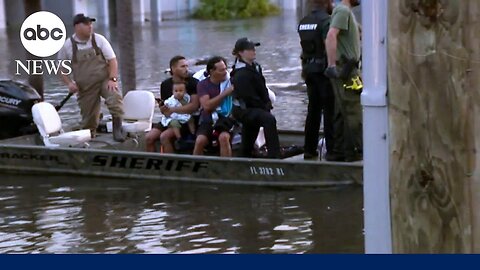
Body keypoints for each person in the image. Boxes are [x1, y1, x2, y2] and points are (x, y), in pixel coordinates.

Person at [58, 14, 125, 141]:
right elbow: (60, 68)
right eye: (87, 24)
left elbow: (112, 60)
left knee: (114, 98)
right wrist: (69, 83)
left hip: (104, 80)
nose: (90, 27)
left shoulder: (99, 40)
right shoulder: (67, 45)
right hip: (85, 86)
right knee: (88, 118)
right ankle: (90, 135)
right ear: (77, 27)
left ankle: (117, 129)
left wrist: (113, 79)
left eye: (91, 24)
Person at [324, 0, 363, 162]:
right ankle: (354, 153)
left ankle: (339, 151)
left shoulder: (347, 13)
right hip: (345, 69)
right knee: (352, 110)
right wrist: (332, 64)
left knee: (341, 110)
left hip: (349, 68)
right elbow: (331, 35)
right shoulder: (342, 11)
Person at [230, 38, 281, 159]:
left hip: (255, 107)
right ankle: (274, 157)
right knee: (269, 120)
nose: (254, 51)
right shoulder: (240, 73)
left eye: (254, 48)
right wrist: (264, 107)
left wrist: (267, 102)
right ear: (241, 53)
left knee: (249, 135)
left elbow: (262, 88)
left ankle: (244, 157)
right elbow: (248, 96)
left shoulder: (255, 67)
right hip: (244, 109)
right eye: (250, 49)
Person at [298, 0, 335, 160]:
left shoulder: (303, 21)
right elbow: (328, 44)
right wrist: (333, 66)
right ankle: (332, 150)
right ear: (326, 3)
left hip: (308, 70)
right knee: (329, 111)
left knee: (312, 111)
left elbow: (304, 48)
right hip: (323, 71)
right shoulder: (326, 20)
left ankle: (309, 149)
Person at [145, 55, 199, 153]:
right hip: (169, 118)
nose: (186, 69)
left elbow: (194, 106)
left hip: (187, 120)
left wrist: (173, 110)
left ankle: (170, 164)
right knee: (149, 137)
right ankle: (153, 164)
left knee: (164, 137)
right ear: (173, 69)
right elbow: (165, 110)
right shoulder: (165, 85)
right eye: (183, 66)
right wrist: (164, 109)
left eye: (187, 66)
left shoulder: (193, 83)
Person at [193, 56, 235, 157]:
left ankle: (226, 168)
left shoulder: (231, 82)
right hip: (209, 119)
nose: (225, 72)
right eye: (221, 70)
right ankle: (196, 165)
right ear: (212, 71)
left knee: (223, 138)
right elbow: (207, 106)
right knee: (200, 140)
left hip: (227, 119)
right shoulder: (203, 85)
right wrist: (225, 93)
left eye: (225, 69)